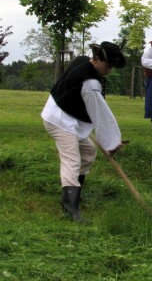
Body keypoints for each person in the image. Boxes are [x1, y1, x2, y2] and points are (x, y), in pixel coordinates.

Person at [41, 41, 126, 223]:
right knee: (72, 160)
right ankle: (70, 209)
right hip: (58, 119)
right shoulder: (90, 83)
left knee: (88, 152)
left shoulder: (82, 60)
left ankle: (74, 195)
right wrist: (112, 142)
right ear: (96, 59)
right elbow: (100, 114)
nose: (109, 70)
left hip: (67, 116)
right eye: (108, 66)